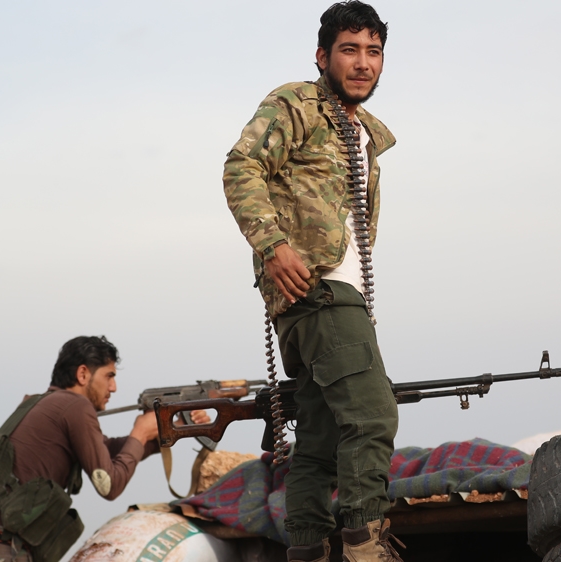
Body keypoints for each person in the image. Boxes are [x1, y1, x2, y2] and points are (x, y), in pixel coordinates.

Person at [223, 2, 400, 561]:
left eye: (373, 51)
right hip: (319, 293)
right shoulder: (297, 104)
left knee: (320, 439)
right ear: (322, 56)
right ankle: (366, 548)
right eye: (349, 49)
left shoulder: (365, 131)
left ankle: (307, 550)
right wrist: (273, 246)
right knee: (373, 415)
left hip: (327, 298)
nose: (363, 63)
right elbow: (241, 167)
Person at [0, 335, 209, 562]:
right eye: (109, 376)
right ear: (83, 374)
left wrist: (173, 429)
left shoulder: (47, 404)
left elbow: (107, 450)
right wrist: (139, 434)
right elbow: (109, 485)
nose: (114, 388)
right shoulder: (75, 406)